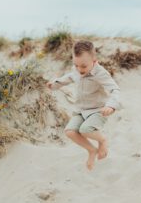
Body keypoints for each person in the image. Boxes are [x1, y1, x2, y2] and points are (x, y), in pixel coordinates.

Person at [46, 41, 121, 170]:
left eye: (83, 66)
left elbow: (115, 89)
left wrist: (111, 106)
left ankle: (102, 141)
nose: (79, 70)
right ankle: (91, 150)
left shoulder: (100, 73)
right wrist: (55, 84)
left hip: (98, 110)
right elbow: (69, 77)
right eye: (76, 65)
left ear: (94, 60)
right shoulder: (76, 70)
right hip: (80, 110)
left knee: (85, 130)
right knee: (69, 131)